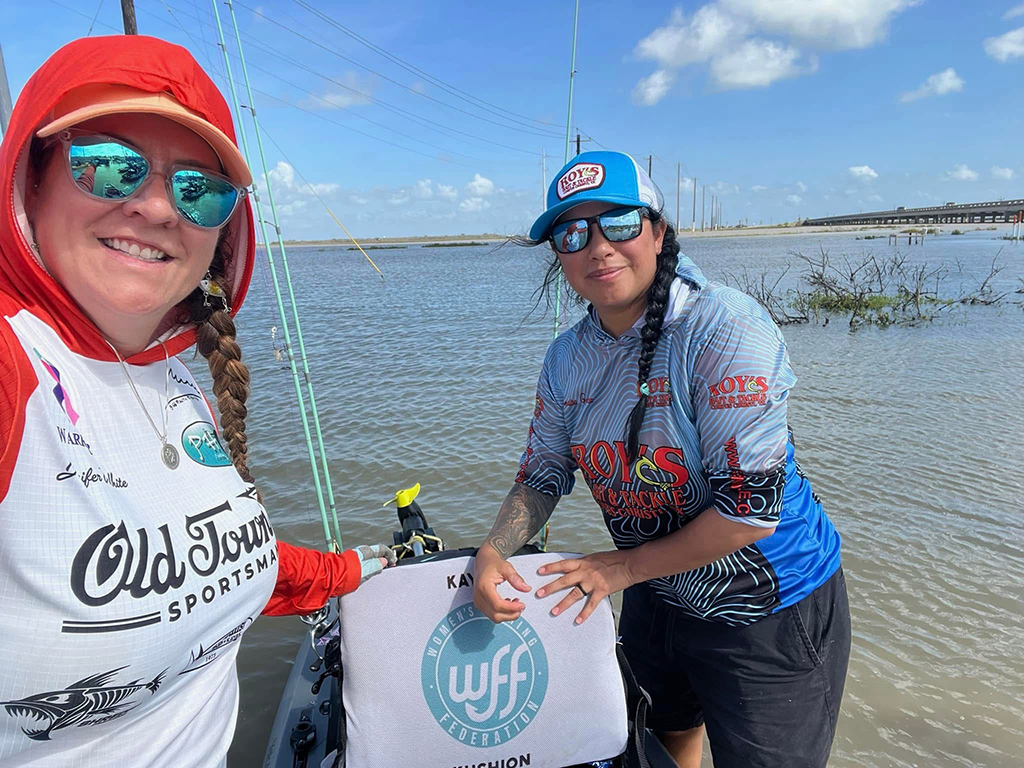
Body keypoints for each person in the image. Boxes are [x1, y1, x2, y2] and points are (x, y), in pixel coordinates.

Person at [0, 36, 393, 767]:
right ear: (31, 181)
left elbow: (219, 569)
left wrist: (357, 570)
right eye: (107, 164)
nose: (153, 206)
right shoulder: (14, 365)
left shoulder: (182, 375)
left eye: (198, 189)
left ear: (221, 232)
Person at [473, 151, 851, 768]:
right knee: (662, 739)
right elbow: (543, 473)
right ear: (559, 256)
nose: (597, 247)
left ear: (657, 230)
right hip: (655, 588)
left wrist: (620, 572)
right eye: (572, 233)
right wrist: (494, 551)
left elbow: (750, 512)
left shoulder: (724, 327)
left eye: (617, 224)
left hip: (766, 606)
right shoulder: (567, 357)